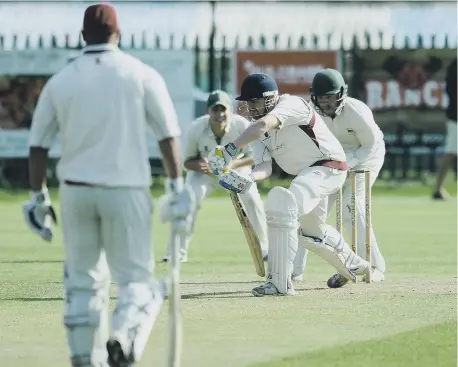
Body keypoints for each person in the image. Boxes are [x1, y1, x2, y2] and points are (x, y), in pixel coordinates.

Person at [22, 4, 192, 367]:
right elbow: (169, 137)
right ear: (120, 33)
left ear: (83, 36)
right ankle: (123, 337)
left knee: (82, 282)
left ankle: (85, 358)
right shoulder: (140, 74)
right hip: (126, 190)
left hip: (75, 192)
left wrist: (38, 197)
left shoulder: (61, 81)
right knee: (136, 281)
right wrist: (177, 187)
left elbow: (37, 146)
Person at [207, 73, 371, 297]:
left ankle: (279, 281)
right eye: (247, 103)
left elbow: (265, 124)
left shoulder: (290, 104)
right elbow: (265, 165)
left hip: (328, 166)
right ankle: (355, 263)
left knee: (284, 207)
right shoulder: (257, 129)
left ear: (270, 97)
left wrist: (229, 150)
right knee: (312, 232)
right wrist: (249, 178)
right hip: (308, 175)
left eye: (254, 101)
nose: (251, 108)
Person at [293, 68, 386, 288]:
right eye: (321, 96)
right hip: (332, 159)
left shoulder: (357, 112)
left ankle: (375, 267)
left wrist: (348, 164)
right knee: (307, 210)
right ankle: (293, 271)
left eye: (330, 96)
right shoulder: (310, 114)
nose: (325, 101)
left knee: (351, 208)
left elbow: (370, 145)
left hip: (365, 156)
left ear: (341, 93)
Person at [161, 90, 268, 262]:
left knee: (252, 198)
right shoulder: (196, 129)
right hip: (206, 174)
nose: (219, 114)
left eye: (223, 109)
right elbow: (186, 162)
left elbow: (254, 156)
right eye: (215, 110)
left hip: (236, 170)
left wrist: (232, 164)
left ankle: (263, 248)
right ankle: (176, 252)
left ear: (230, 111)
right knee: (189, 199)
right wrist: (200, 165)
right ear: (208, 111)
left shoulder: (242, 126)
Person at [433, 57, 457, 200]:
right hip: (456, 116)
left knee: (450, 152)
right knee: (450, 152)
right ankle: (438, 189)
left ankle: (439, 189)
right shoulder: (455, 65)